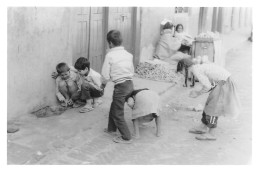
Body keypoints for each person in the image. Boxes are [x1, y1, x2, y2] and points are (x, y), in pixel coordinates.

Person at [182, 58, 240, 141]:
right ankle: (203, 127)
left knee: (213, 108)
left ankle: (211, 134)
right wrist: (198, 92)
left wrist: (197, 93)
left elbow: (208, 86)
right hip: (221, 81)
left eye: (182, 72)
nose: (183, 74)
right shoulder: (198, 67)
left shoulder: (196, 70)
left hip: (225, 83)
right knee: (209, 104)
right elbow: (211, 83)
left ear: (185, 68)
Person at [102, 30, 135, 144]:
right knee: (114, 106)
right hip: (130, 84)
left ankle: (127, 137)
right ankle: (111, 129)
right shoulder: (128, 55)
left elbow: (105, 74)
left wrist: (109, 79)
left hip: (120, 87)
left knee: (117, 112)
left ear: (110, 43)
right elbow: (132, 71)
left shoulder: (110, 55)